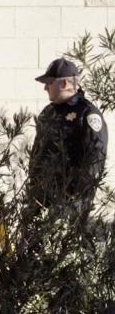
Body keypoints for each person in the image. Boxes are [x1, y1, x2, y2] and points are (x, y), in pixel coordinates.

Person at [29, 58, 108, 214]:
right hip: (42, 198)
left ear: (64, 84)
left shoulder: (87, 114)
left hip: (68, 204)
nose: (45, 87)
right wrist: (33, 185)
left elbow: (95, 158)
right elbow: (38, 151)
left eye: (49, 83)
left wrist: (75, 194)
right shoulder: (48, 113)